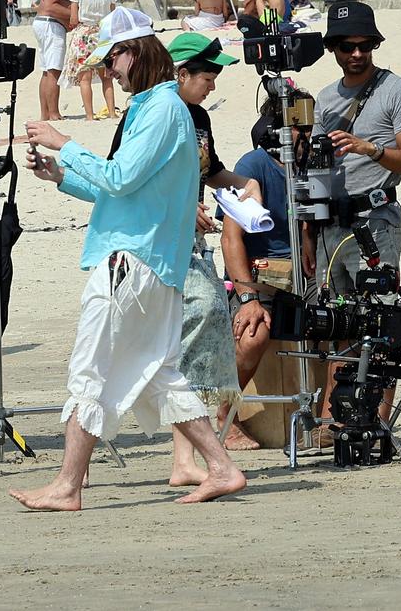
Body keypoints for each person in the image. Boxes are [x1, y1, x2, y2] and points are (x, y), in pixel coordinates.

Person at [13, 22, 248, 509]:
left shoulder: (162, 107)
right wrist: (63, 175)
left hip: (135, 262)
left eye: (112, 59)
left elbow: (120, 179)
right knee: (160, 372)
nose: (108, 70)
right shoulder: (157, 107)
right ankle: (222, 468)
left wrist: (66, 144)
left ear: (133, 53)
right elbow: (125, 191)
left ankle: (67, 486)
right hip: (149, 259)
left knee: (91, 367)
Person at [164, 30, 246, 488]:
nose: (213, 84)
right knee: (193, 323)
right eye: (208, 76)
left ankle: (185, 459)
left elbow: (209, 169)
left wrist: (243, 184)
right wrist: (179, 208)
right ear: (181, 73)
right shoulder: (154, 114)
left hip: (191, 244)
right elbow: (125, 182)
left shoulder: (196, 116)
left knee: (197, 333)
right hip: (157, 246)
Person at [309, 0, 401, 293]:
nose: (357, 53)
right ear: (333, 47)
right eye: (347, 47)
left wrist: (370, 149)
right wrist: (308, 234)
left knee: (377, 322)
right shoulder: (324, 98)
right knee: (329, 324)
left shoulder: (397, 91)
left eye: (366, 45)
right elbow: (315, 171)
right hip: (328, 228)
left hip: (375, 224)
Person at [222, 136, 292, 451]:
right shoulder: (253, 165)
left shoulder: (312, 164)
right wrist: (248, 298)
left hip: (305, 271)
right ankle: (226, 415)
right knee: (253, 336)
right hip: (257, 274)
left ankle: (331, 421)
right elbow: (230, 239)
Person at [31, 0, 86, 122]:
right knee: (54, 70)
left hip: (48, 24)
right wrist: (74, 16)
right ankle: (53, 114)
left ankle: (46, 114)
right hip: (49, 24)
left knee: (47, 71)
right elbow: (48, 6)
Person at [66, 0, 121, 121]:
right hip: (103, 34)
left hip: (84, 34)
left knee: (85, 78)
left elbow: (74, 19)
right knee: (107, 78)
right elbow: (112, 17)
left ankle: (89, 115)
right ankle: (111, 112)